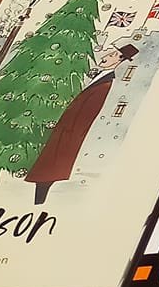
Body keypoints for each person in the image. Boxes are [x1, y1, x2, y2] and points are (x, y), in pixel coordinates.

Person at [22, 41, 138, 203]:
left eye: (112, 55)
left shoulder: (105, 83)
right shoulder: (99, 76)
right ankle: (39, 197)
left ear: (119, 59)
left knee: (50, 168)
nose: (105, 56)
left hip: (70, 131)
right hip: (66, 128)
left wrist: (69, 130)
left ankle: (39, 200)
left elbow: (88, 112)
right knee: (47, 168)